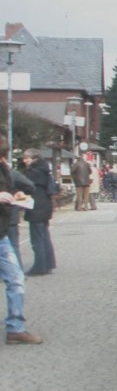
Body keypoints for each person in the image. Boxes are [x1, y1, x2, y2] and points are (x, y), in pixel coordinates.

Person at [0, 137, 42, 344]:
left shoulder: (4, 169)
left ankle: (15, 328)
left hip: (1, 233)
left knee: (16, 278)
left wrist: (13, 194)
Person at [22, 149, 57, 276]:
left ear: (34, 158)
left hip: (36, 206)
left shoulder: (32, 172)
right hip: (45, 205)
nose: (24, 161)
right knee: (44, 236)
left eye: (27, 158)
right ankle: (48, 263)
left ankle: (39, 266)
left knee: (37, 238)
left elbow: (25, 186)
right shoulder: (45, 170)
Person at [1, 151, 33, 270]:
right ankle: (17, 272)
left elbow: (30, 186)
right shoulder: (12, 173)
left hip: (7, 215)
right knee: (12, 246)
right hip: (10, 215)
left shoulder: (10, 173)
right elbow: (30, 186)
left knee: (10, 246)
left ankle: (16, 272)